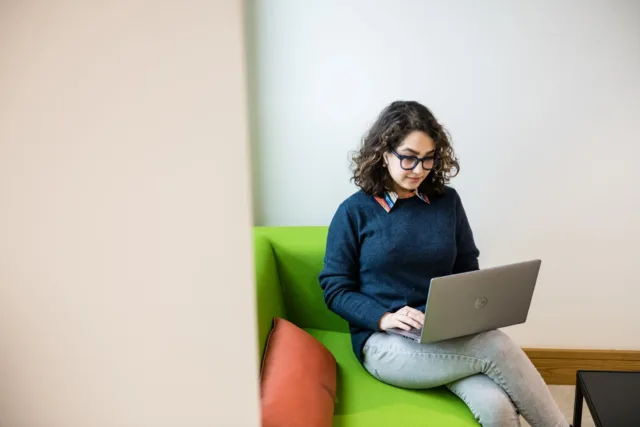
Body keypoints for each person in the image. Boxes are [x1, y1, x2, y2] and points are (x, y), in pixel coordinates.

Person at [318, 101, 569, 427]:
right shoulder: (354, 211)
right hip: (384, 342)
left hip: (444, 333)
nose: (418, 169)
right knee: (494, 346)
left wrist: (474, 308)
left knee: (497, 409)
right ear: (384, 153)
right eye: (408, 157)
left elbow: (466, 263)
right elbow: (335, 288)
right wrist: (384, 317)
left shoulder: (447, 201)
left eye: (427, 158)